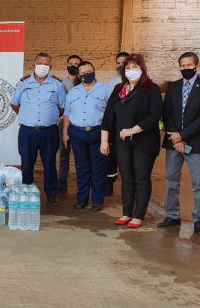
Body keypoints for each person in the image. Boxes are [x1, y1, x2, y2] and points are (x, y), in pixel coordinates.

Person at [100, 53, 162, 228]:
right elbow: (108, 116)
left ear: (142, 69)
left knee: (141, 178)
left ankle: (139, 214)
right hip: (122, 143)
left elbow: (155, 115)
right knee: (126, 177)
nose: (131, 71)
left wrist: (132, 130)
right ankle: (127, 212)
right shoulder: (118, 89)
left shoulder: (151, 89)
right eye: (128, 68)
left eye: (135, 67)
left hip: (144, 141)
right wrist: (104, 141)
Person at [159, 52, 200, 235]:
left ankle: (198, 219)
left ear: (197, 66)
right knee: (171, 180)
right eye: (182, 66)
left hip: (197, 143)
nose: (185, 68)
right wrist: (175, 137)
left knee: (198, 183)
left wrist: (182, 136)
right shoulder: (173, 87)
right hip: (173, 142)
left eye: (189, 65)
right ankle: (172, 215)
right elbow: (166, 113)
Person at [10, 52, 66, 205]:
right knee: (27, 162)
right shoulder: (23, 83)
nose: (43, 66)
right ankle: (28, 192)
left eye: (46, 64)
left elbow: (62, 107)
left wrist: (50, 117)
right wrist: (28, 116)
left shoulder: (57, 84)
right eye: (40, 63)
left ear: (51, 66)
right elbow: (14, 103)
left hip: (49, 131)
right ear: (33, 65)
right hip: (27, 131)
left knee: (49, 163)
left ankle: (51, 194)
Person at [63, 61, 112, 211]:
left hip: (97, 133)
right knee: (82, 168)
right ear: (79, 75)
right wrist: (65, 133)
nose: (86, 74)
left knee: (98, 169)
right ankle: (82, 199)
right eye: (83, 73)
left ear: (94, 70)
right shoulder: (73, 92)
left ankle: (97, 200)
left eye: (89, 71)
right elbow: (67, 114)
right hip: (77, 134)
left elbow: (111, 114)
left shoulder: (105, 90)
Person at [104, 52, 128, 196]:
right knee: (110, 160)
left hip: (132, 130)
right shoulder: (110, 85)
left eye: (124, 63)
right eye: (118, 63)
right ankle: (109, 185)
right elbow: (107, 110)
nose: (121, 66)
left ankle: (129, 189)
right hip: (114, 129)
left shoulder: (141, 84)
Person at [58, 54, 82, 190]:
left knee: (80, 154)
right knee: (64, 152)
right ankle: (62, 178)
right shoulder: (61, 84)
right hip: (64, 123)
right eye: (71, 64)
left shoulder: (84, 84)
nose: (74, 66)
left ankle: (82, 179)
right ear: (67, 65)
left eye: (77, 64)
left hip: (79, 123)